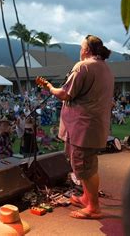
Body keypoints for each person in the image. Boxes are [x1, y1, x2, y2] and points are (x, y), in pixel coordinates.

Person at [41, 34, 114, 220]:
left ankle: (94, 208)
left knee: (86, 168)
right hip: (93, 126)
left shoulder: (83, 67)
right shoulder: (105, 68)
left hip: (83, 127)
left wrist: (49, 87)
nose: (80, 50)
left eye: (81, 47)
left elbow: (65, 94)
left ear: (87, 50)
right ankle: (86, 198)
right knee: (87, 165)